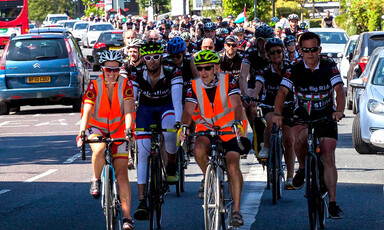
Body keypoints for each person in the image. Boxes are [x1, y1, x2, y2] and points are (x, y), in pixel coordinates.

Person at [272, 32, 345, 218]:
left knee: (328, 154)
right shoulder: (294, 68)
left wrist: (339, 110)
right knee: (299, 140)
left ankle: (333, 203)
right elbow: (282, 92)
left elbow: (339, 90)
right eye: (306, 50)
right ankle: (303, 169)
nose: (310, 54)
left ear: (319, 50)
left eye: (313, 50)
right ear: (300, 50)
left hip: (326, 117)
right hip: (303, 116)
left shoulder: (329, 66)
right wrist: (278, 114)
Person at [178, 49, 250, 228]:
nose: (203, 72)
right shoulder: (194, 86)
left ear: (216, 68)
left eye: (208, 68)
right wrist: (184, 126)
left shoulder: (228, 81)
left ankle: (236, 211)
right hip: (206, 127)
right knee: (199, 149)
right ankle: (208, 177)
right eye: (200, 68)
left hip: (230, 127)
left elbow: (236, 105)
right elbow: (188, 111)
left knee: (232, 161)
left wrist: (238, 123)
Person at [76, 50, 135, 230]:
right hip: (97, 127)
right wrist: (82, 132)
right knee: (99, 148)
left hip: (118, 128)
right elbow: (87, 109)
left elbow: (128, 110)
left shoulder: (126, 84)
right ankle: (95, 178)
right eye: (108, 70)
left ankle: (126, 218)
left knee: (122, 174)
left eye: (115, 70)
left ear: (120, 70)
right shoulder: (94, 84)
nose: (111, 73)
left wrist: (127, 131)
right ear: (102, 69)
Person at [132, 41, 183, 220]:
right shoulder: (137, 73)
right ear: (143, 59)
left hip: (165, 106)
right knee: (143, 150)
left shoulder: (172, 71)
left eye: (156, 57)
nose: (152, 61)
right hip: (145, 109)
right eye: (148, 58)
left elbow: (177, 99)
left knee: (170, 131)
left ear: (161, 57)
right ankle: (141, 201)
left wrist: (178, 123)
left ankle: (170, 165)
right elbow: (130, 99)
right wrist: (129, 122)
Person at [247, 38, 296, 188]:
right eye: (272, 52)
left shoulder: (291, 68)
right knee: (271, 121)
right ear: (268, 55)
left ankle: (290, 177)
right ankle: (267, 146)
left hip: (289, 107)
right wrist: (254, 95)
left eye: (279, 51)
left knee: (289, 141)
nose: (276, 55)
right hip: (269, 106)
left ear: (283, 52)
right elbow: (258, 85)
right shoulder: (264, 71)